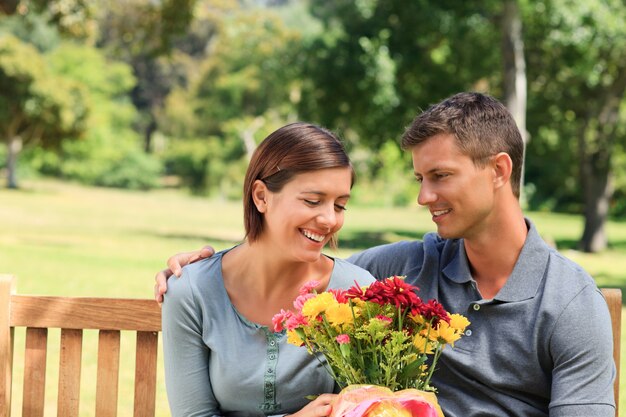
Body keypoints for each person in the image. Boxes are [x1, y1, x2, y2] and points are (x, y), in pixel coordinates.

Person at [156, 92, 616, 417]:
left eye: (439, 176)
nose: (423, 197)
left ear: (498, 170)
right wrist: (200, 271)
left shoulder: (570, 303)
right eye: (419, 179)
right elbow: (305, 256)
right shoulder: (399, 271)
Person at [161, 122, 375, 417]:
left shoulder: (357, 291)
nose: (329, 220)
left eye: (340, 206)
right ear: (261, 196)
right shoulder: (191, 292)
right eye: (313, 201)